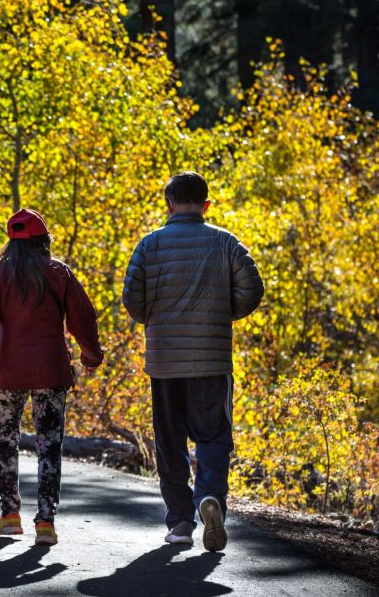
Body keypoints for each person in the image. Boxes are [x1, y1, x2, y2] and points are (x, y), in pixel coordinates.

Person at [121, 171, 264, 553]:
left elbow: (132, 298)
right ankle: (210, 497)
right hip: (212, 360)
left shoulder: (149, 246)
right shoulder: (225, 243)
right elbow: (253, 289)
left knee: (170, 441)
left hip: (165, 360)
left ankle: (181, 522)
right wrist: (223, 314)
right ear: (206, 205)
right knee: (214, 435)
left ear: (169, 204)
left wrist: (154, 319)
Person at [0, 208, 104, 547]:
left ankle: (10, 516)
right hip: (51, 372)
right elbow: (82, 319)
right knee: (48, 446)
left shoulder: (0, 275)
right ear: (44, 241)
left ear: (11, 243)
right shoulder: (59, 272)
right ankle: (46, 522)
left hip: (9, 374)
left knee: (5, 442)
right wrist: (91, 355)